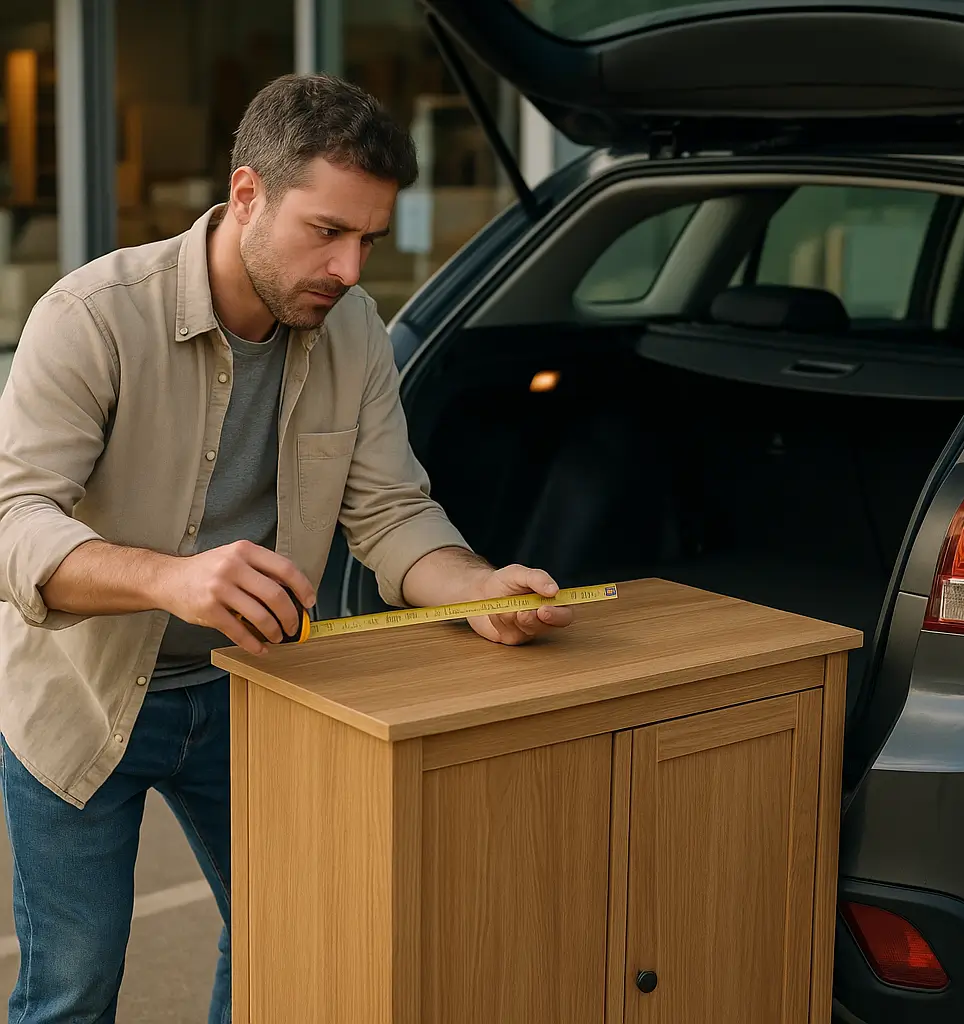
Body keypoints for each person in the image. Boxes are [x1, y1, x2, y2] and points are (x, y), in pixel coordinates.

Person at [0, 73, 572, 1024]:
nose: (351, 270)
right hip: (80, 701)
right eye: (327, 232)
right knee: (72, 991)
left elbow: (391, 515)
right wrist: (173, 579)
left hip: (253, 692)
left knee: (286, 951)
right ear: (250, 194)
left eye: (369, 241)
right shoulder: (92, 317)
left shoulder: (355, 334)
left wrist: (475, 587)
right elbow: (13, 526)